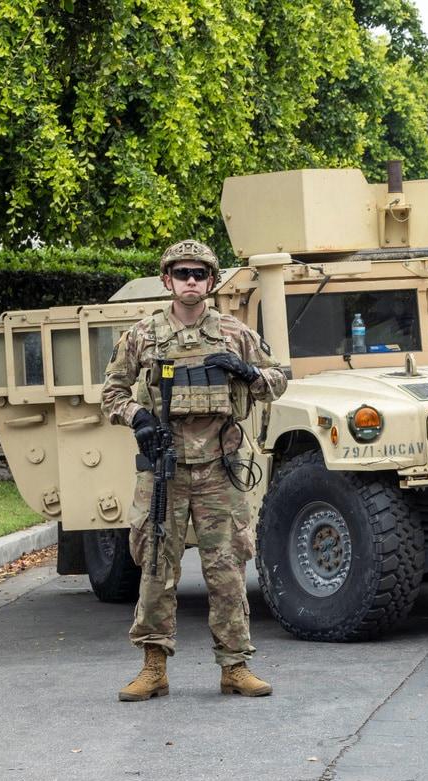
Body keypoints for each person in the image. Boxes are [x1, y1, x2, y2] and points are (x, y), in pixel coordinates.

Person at [101, 240, 286, 701]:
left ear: (210, 281)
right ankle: (153, 667)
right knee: (156, 567)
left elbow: (279, 379)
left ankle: (235, 666)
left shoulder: (233, 332)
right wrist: (137, 418)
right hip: (163, 469)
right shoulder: (142, 335)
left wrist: (247, 373)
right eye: (181, 273)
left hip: (219, 469)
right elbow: (111, 393)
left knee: (226, 568)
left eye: (199, 274)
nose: (190, 281)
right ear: (167, 280)